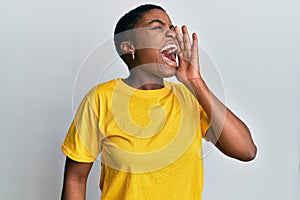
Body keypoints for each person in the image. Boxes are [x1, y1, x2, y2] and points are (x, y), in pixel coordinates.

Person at [61, 4, 257, 200]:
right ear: (129, 47)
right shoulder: (100, 99)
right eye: (157, 27)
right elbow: (75, 179)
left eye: (171, 28)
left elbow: (246, 150)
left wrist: (196, 83)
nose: (171, 34)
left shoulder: (190, 97)